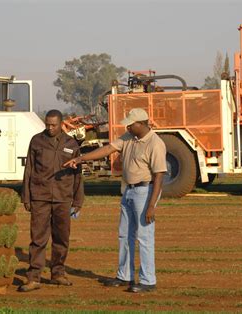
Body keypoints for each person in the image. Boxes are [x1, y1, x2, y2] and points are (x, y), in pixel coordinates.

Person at [64, 108, 166, 293]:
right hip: (128, 190)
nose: (127, 126)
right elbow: (108, 149)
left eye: (131, 123)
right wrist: (81, 158)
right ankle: (124, 276)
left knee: (144, 237)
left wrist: (152, 205)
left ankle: (148, 280)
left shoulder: (155, 143)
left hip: (145, 191)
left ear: (142, 124)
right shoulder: (129, 137)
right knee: (124, 235)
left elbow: (159, 176)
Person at [19, 109, 84, 292]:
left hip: (63, 198)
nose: (50, 127)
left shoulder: (71, 144)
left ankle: (58, 273)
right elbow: (29, 169)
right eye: (47, 124)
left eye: (53, 125)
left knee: (61, 238)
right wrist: (26, 196)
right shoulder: (36, 141)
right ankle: (34, 277)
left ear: (61, 124)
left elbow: (78, 175)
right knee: (38, 238)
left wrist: (78, 200)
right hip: (40, 196)